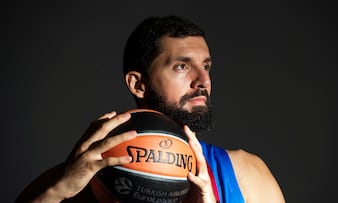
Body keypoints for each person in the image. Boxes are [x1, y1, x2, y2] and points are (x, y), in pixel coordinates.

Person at [15, 15, 285, 203]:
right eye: (182, 66)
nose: (203, 81)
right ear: (138, 84)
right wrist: (59, 189)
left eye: (206, 66)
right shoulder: (84, 177)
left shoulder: (245, 171)